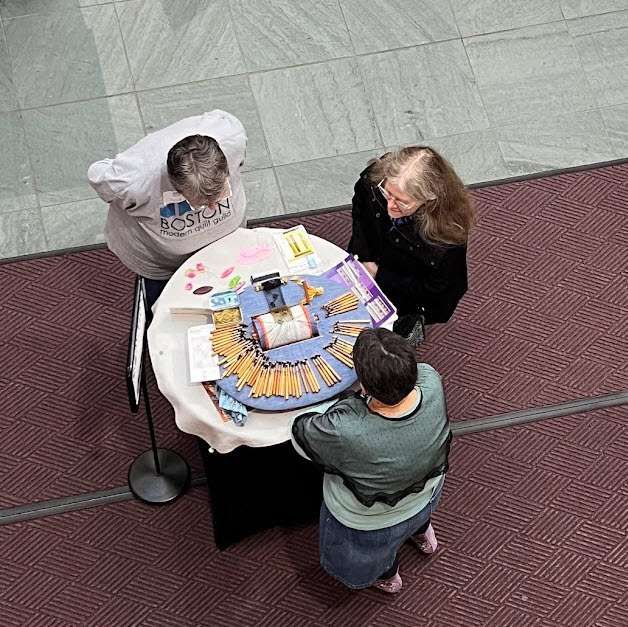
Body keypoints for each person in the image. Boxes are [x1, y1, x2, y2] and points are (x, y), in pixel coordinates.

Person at [291, 328, 452, 594]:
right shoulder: (431, 379)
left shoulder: (346, 430)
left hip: (371, 522)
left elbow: (301, 436)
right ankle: (423, 533)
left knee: (373, 556)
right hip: (426, 492)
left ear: (363, 386)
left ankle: (387, 577)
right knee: (417, 516)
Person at [88, 111, 247, 309]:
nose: (214, 207)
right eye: (201, 203)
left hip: (229, 245)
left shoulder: (232, 136)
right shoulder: (133, 180)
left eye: (220, 194)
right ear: (176, 187)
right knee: (165, 308)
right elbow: (97, 173)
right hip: (162, 264)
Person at [348, 146, 474, 342]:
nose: (390, 206)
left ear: (429, 198)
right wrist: (363, 256)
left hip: (404, 297)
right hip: (369, 263)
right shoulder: (375, 182)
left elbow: (439, 291)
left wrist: (380, 275)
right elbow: (361, 215)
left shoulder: (447, 235)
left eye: (402, 201)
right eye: (387, 193)